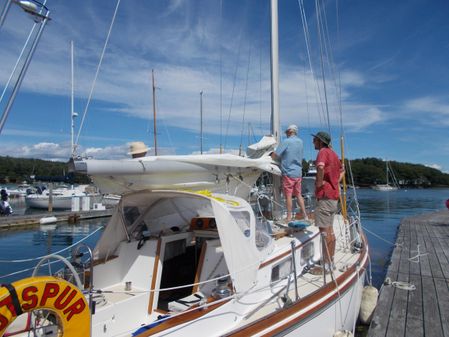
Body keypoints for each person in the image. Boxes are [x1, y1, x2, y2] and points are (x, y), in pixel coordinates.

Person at [311, 131, 344, 273]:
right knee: (330, 230)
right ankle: (330, 261)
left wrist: (319, 183)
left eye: (314, 140)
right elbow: (343, 171)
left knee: (324, 232)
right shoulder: (334, 154)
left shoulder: (323, 152)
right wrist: (335, 182)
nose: (313, 142)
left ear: (320, 141)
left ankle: (326, 266)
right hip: (333, 196)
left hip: (325, 196)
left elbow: (320, 167)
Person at [271, 124, 308, 222]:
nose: (286, 134)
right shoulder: (301, 142)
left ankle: (288, 217)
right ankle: (305, 215)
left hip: (288, 173)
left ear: (290, 131)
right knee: (299, 194)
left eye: (287, 132)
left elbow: (275, 155)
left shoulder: (286, 142)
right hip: (298, 173)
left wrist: (271, 154)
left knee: (288, 196)